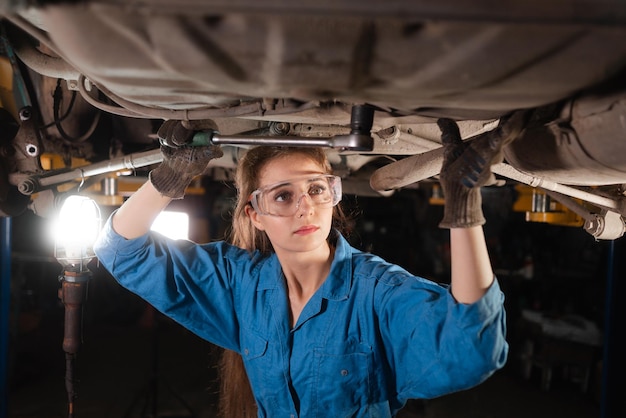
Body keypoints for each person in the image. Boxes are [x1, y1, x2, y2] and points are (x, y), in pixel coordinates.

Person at [94, 117, 514, 417]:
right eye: (282, 196)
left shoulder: (376, 291)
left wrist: (463, 208)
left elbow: (472, 350)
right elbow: (120, 251)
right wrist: (170, 176)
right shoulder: (240, 284)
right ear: (254, 213)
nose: (306, 207)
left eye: (316, 188)